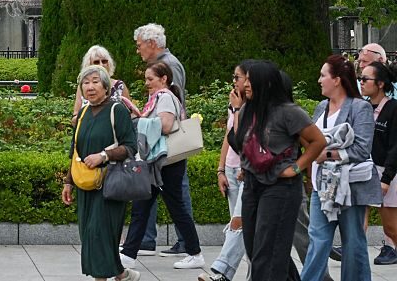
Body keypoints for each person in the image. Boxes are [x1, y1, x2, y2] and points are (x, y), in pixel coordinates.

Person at [226, 60, 324, 281]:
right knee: (255, 249)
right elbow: (239, 142)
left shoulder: (288, 112)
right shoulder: (249, 109)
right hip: (252, 185)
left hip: (280, 188)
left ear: (266, 83)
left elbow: (318, 142)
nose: (246, 84)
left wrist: (297, 167)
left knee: (268, 253)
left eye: (250, 80)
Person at [301, 55, 382, 281]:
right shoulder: (320, 108)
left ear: (336, 80)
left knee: (353, 242)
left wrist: (326, 154)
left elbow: (362, 149)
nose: (319, 80)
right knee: (318, 240)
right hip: (322, 187)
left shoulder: (360, 108)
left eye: (323, 75)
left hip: (351, 187)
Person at [119, 61, 204, 271]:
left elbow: (165, 126)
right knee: (142, 205)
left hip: (167, 162)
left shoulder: (165, 97)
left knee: (175, 207)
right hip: (158, 161)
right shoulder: (157, 97)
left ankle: (195, 253)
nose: (147, 83)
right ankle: (129, 254)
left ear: (164, 78)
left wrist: (141, 121)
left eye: (150, 79)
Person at [61, 64, 139, 281]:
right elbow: (74, 149)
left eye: (95, 82)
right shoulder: (83, 112)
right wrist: (68, 182)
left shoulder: (117, 110)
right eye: (86, 83)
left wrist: (103, 156)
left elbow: (131, 147)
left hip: (110, 182)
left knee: (99, 233)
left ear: (106, 87)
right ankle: (122, 274)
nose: (90, 87)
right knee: (89, 234)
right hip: (85, 184)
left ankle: (102, 278)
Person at [133, 22, 190, 256]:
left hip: (167, 139)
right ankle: (147, 239)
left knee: (176, 190)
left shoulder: (168, 65)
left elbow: (171, 103)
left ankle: (186, 242)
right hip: (160, 138)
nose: (138, 51)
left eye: (139, 46)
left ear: (152, 44)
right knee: (156, 187)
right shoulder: (166, 63)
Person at [199, 63, 251, 281]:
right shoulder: (235, 103)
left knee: (239, 224)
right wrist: (221, 169)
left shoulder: (250, 106)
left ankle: (221, 273)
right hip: (231, 169)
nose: (235, 82)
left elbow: (242, 141)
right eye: (234, 77)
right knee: (241, 228)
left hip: (247, 170)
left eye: (238, 77)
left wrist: (238, 109)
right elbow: (229, 138)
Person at [361, 60, 397, 265]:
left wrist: (386, 178)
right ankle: (352, 250)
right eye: (360, 78)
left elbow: (395, 147)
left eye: (366, 79)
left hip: (387, 173)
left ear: (381, 83)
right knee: (359, 219)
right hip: (364, 171)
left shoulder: (393, 109)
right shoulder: (363, 107)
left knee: (391, 228)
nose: (361, 82)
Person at [72, 45, 139, 117]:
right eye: (96, 62)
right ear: (89, 65)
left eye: (104, 61)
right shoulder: (83, 87)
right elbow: (76, 115)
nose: (101, 65)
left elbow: (131, 112)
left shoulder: (120, 86)